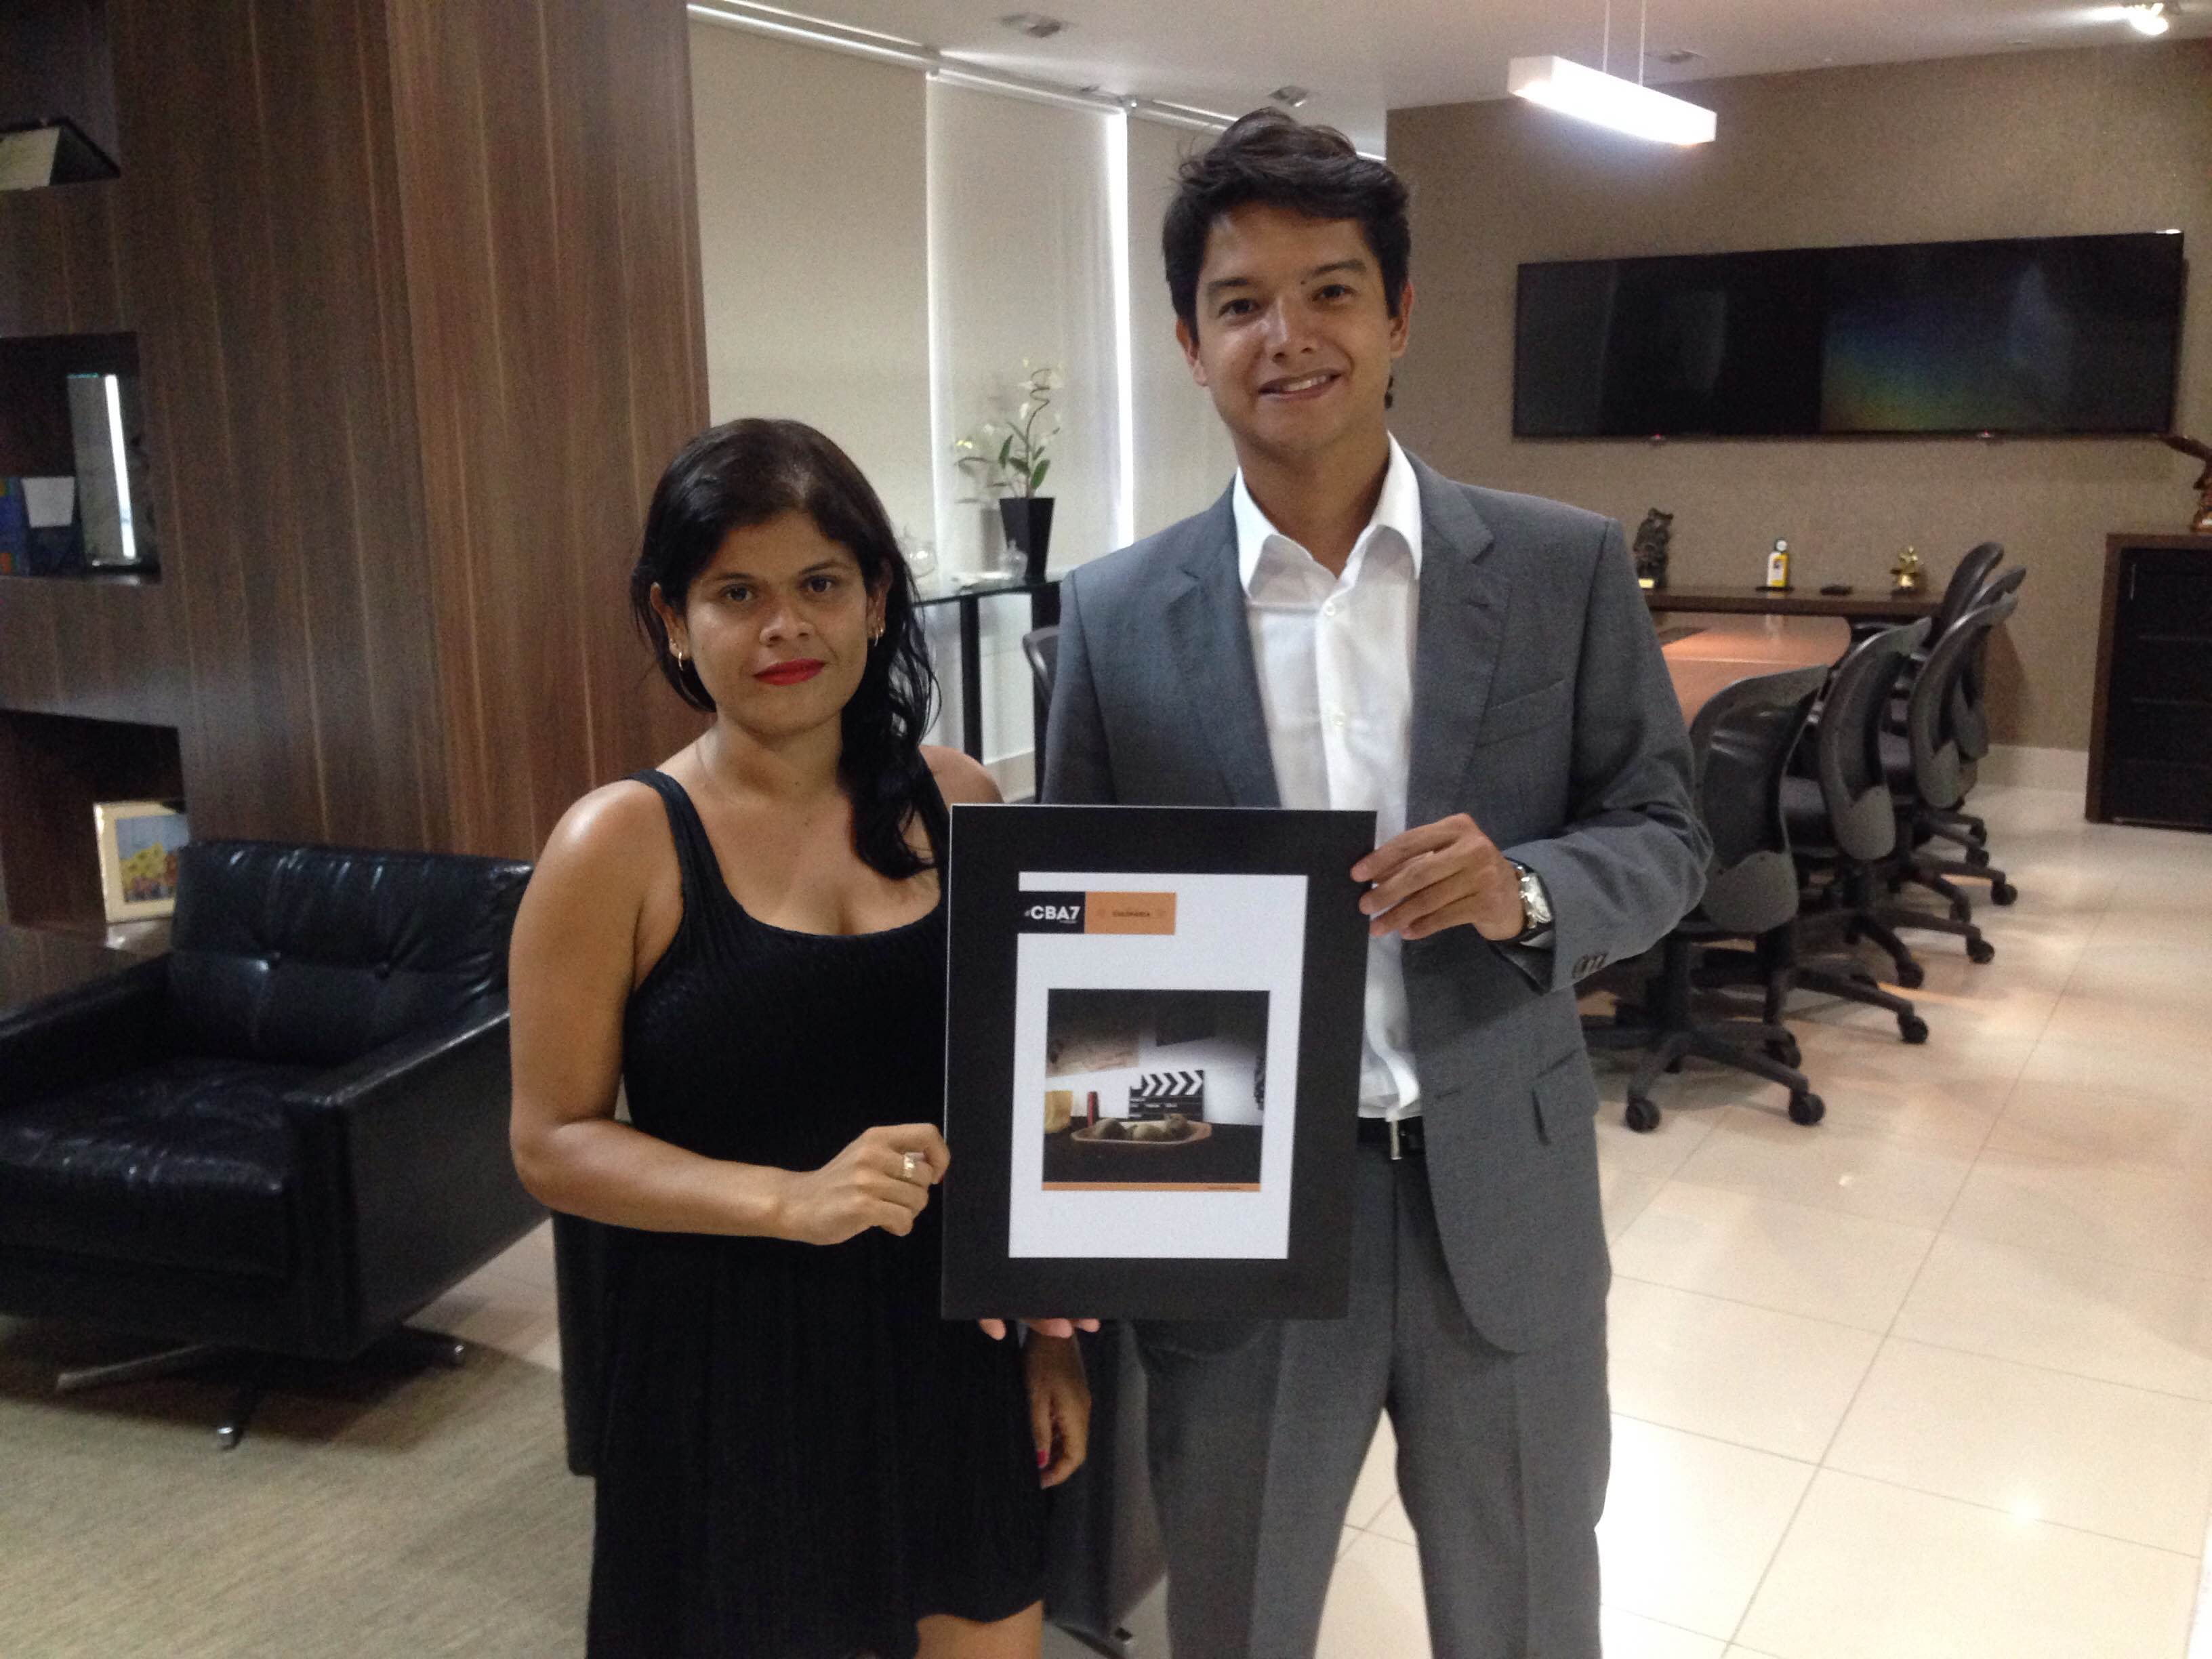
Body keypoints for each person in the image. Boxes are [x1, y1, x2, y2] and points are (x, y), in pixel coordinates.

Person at [1043, 112, 1709, 1657]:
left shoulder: (1558, 568)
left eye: (1331, 291)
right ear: (1190, 345)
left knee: (1529, 1617)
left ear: (1399, 316)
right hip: (1238, 1216)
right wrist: (1067, 1258)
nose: (1288, 336)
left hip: (1503, 1199)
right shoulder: (1118, 619)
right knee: (1238, 1619)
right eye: (1240, 303)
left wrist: (1522, 890)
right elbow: (1077, 952)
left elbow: (1666, 833)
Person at [508, 418, 1091, 1659]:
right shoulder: (616, 843)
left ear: (876, 600)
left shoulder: (961, 800)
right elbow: (552, 1141)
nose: (785, 628)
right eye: (737, 594)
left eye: (820, 584)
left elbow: (1018, 1093)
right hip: (730, 1360)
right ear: (671, 619)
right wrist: (789, 1199)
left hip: (949, 1345)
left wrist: (1051, 1342)